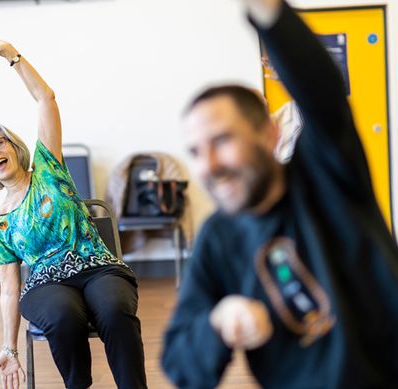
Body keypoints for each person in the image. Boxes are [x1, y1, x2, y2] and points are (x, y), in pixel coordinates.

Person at [161, 0, 398, 388]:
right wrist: (218, 325)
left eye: (222, 141)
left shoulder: (326, 177)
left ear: (271, 134)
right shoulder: (218, 239)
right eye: (195, 151)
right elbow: (181, 364)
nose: (210, 164)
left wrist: (270, 12)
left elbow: (322, 92)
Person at [0, 36, 147, 389]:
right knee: (63, 317)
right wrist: (10, 346)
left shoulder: (48, 167)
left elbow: (45, 99)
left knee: (113, 309)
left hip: (98, 267)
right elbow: (8, 290)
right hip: (46, 283)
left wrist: (10, 54)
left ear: (14, 147)